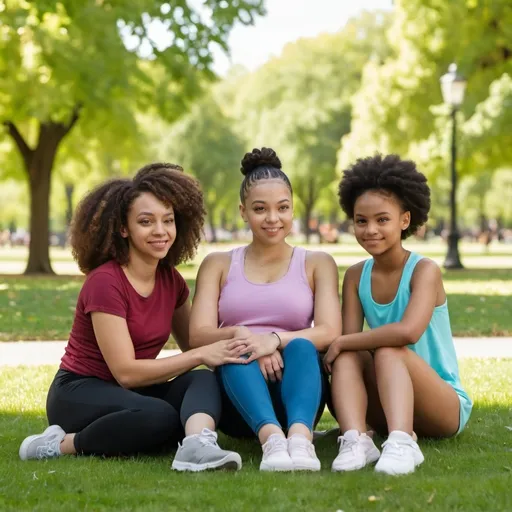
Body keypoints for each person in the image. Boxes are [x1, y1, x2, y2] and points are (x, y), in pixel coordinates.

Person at [19, 163, 247, 472]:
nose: (160, 231)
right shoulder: (105, 282)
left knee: (202, 380)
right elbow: (125, 372)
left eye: (168, 220)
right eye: (146, 221)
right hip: (80, 392)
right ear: (123, 228)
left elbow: (194, 341)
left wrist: (244, 335)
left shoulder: (171, 281)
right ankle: (58, 444)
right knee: (162, 417)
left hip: (134, 394)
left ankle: (196, 445)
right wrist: (201, 353)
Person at [189, 147, 342, 472]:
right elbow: (197, 336)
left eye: (282, 208)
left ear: (292, 209)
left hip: (300, 392)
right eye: (260, 209)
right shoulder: (218, 264)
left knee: (301, 345)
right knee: (236, 350)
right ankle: (271, 440)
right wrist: (246, 338)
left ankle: (301, 440)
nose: (273, 218)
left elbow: (329, 331)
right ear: (243, 211)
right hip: (236, 401)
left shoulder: (317, 263)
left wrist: (272, 340)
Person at [324, 154, 473, 475]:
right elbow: (350, 343)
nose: (370, 230)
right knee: (347, 354)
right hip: (387, 401)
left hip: (443, 406)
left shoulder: (425, 270)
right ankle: (356, 439)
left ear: (405, 220)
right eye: (361, 221)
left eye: (382, 219)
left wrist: (342, 341)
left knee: (390, 349)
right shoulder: (354, 276)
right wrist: (341, 345)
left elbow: (408, 333)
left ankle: (403, 443)